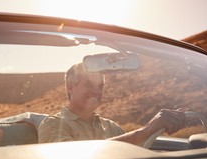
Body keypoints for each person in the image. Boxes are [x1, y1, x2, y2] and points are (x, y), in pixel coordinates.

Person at [38, 62, 185, 146]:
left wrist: (162, 126)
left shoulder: (112, 127)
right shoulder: (52, 125)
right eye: (89, 84)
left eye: (100, 86)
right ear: (71, 87)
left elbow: (136, 154)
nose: (96, 91)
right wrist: (145, 130)